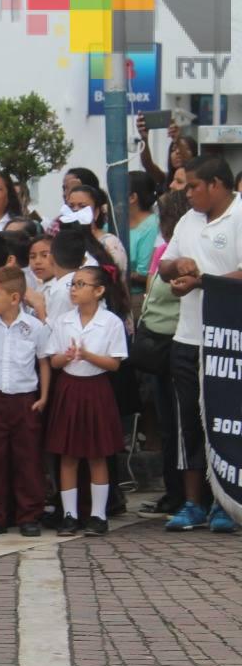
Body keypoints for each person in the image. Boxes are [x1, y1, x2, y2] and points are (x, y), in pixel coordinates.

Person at [159, 156, 242, 533]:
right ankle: (193, 502)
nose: (186, 193)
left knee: (226, 421)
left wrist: (202, 280)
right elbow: (164, 264)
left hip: (229, 340)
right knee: (188, 422)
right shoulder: (187, 220)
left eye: (193, 186)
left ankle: (227, 502)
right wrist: (177, 269)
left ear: (218, 185)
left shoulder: (240, 215)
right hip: (188, 336)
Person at [0, 267, 51, 536]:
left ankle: (29, 515)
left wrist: (44, 396)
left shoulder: (34, 327)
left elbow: (44, 363)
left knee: (27, 458)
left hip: (25, 400)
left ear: (15, 298)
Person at [46, 265, 128, 537]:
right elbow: (54, 361)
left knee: (97, 454)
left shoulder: (111, 322)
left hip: (96, 388)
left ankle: (98, 514)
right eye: (73, 284)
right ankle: (70, 514)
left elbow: (114, 364)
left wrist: (88, 355)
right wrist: (68, 356)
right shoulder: (63, 321)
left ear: (99, 290)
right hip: (70, 387)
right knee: (68, 454)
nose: (74, 289)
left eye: (81, 284)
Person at [136, 190, 188, 519]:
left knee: (179, 425)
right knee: (168, 423)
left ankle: (183, 492)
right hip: (158, 346)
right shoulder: (166, 251)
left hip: (175, 344)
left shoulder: (182, 255)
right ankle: (173, 490)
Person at [63, 184, 128, 276]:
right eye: (71, 206)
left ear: (96, 212)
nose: (76, 210)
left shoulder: (109, 243)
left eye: (82, 206)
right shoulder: (63, 240)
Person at [127, 171, 159, 294]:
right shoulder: (115, 222)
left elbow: (144, 273)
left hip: (137, 296)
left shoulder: (152, 225)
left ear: (132, 197)